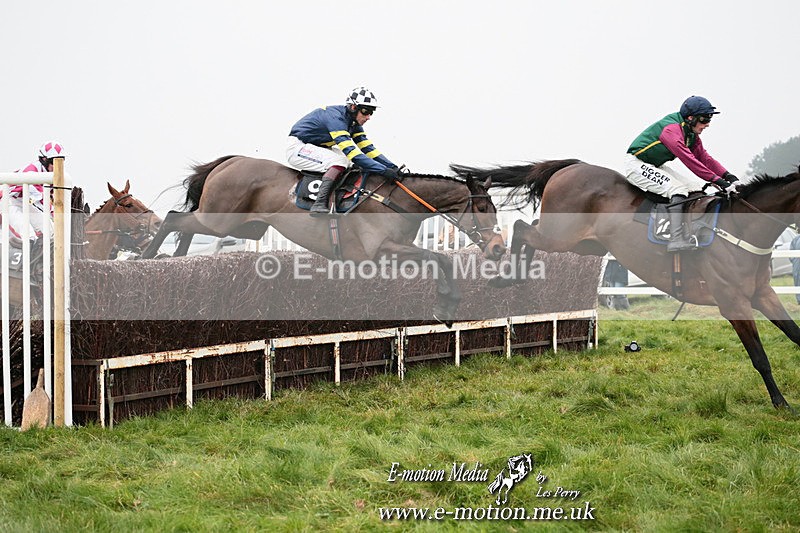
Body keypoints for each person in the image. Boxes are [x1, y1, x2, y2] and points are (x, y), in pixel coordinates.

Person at [625, 96, 738, 252]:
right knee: (677, 190)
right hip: (636, 164)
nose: (707, 124)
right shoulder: (671, 130)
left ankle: (690, 230)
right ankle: (676, 239)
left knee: (694, 188)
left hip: (654, 165)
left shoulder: (691, 134)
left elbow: (705, 159)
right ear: (691, 118)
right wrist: (720, 182)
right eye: (704, 119)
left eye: (709, 119)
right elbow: (691, 161)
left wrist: (729, 176)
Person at [287, 87, 398, 216]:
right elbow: (354, 154)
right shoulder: (336, 119)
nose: (368, 117)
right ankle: (319, 203)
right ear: (352, 107)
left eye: (371, 112)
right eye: (365, 111)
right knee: (340, 161)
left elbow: (368, 149)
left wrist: (391, 166)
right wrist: (383, 170)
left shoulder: (354, 123)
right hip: (297, 147)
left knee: (349, 163)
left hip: (317, 147)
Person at [1, 141, 64, 245]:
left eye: (62, 161)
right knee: (29, 235)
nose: (58, 165)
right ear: (44, 160)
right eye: (54, 161)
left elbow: (50, 199)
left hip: (26, 202)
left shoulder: (50, 174)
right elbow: (41, 202)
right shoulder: (32, 172)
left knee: (51, 231)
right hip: (9, 202)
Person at [791, 234, 800, 304]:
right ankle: (799, 300)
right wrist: (794, 260)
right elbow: (791, 252)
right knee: (797, 281)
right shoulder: (796, 239)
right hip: (797, 266)